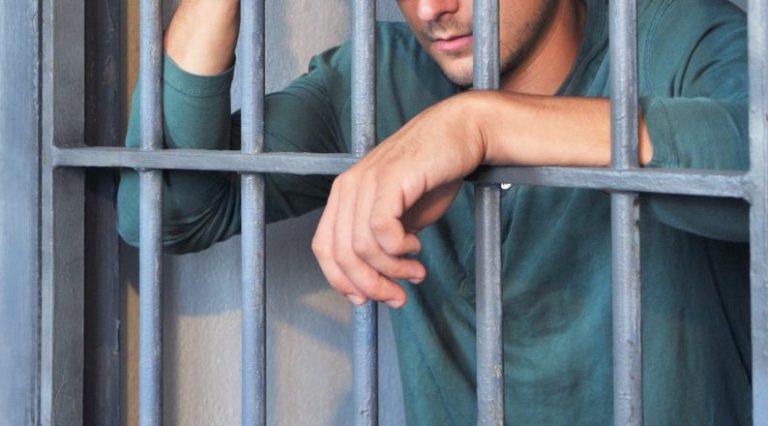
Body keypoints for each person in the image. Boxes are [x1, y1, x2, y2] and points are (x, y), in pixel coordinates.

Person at [118, 0, 751, 423]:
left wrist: (480, 124)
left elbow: (752, 157)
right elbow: (166, 208)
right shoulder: (379, 78)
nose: (430, 9)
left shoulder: (674, 37)